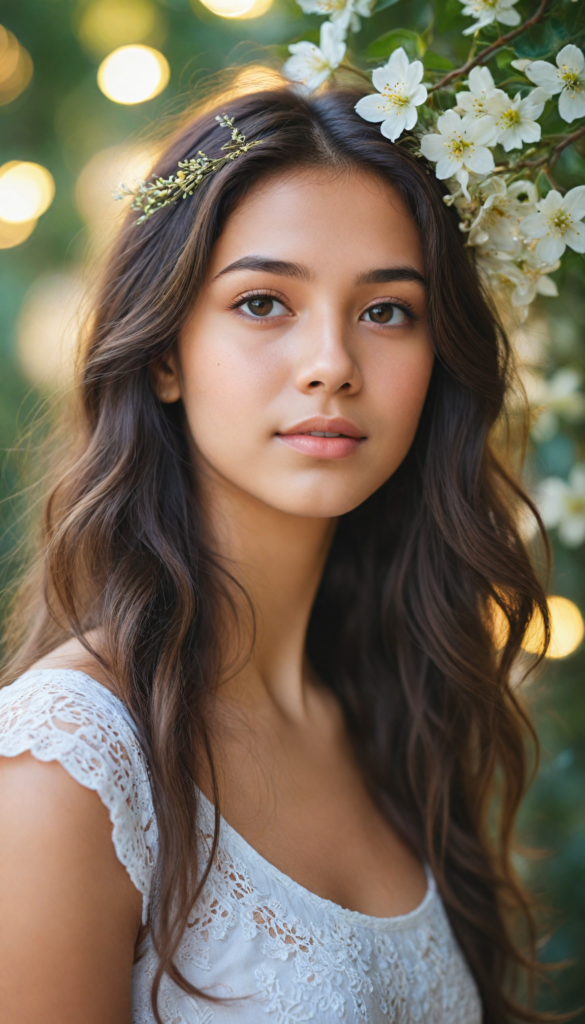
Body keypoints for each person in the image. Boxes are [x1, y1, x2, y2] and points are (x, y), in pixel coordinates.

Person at [0, 84, 550, 1024]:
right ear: (165, 354)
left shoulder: (396, 705)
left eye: (386, 312)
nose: (331, 361)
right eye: (263, 302)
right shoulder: (70, 766)